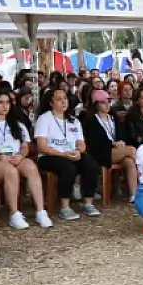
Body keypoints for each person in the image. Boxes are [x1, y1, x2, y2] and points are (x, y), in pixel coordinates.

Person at [0, 91, 51, 229]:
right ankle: (14, 213)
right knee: (10, 172)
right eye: (1, 102)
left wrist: (21, 155)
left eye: (7, 102)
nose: (5, 106)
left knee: (31, 167)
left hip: (16, 156)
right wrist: (0, 157)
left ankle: (40, 211)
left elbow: (25, 145)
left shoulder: (17, 124)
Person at [34, 88, 101, 220]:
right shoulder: (44, 119)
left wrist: (78, 151)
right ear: (51, 103)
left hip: (71, 153)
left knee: (91, 164)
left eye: (65, 98)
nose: (63, 102)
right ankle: (65, 206)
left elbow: (81, 143)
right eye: (59, 99)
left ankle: (88, 202)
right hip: (50, 156)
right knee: (68, 168)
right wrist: (63, 154)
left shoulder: (73, 121)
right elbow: (41, 146)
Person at [81, 90, 140, 202]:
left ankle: (134, 194)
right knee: (132, 150)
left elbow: (123, 135)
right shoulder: (91, 120)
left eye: (108, 101)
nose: (107, 104)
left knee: (130, 162)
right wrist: (113, 144)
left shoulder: (114, 118)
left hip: (118, 151)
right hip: (100, 152)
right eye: (103, 102)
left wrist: (121, 142)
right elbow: (94, 142)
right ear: (96, 104)